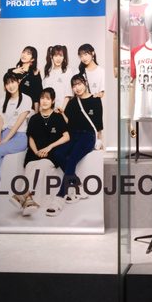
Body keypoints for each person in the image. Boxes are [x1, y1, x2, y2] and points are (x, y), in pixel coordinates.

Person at [46, 75, 104, 216]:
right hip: (73, 136)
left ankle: (60, 196)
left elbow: (98, 125)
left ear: (85, 83)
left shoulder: (96, 100)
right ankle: (77, 184)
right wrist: (62, 114)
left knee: (72, 158)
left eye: (79, 84)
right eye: (74, 85)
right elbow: (69, 123)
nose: (77, 88)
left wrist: (100, 141)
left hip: (88, 136)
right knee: (57, 153)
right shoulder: (72, 102)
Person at [11, 88, 69, 216]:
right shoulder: (34, 118)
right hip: (34, 153)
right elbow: (30, 138)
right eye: (42, 98)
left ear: (52, 101)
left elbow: (66, 137)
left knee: (42, 166)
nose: (44, 101)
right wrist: (36, 151)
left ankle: (22, 194)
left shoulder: (58, 117)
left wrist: (49, 147)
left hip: (50, 154)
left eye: (48, 98)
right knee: (31, 166)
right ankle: (29, 201)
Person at [0, 72, 32, 178]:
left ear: (18, 82)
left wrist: (5, 140)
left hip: (19, 136)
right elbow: (0, 120)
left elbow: (17, 124)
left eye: (13, 82)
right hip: (4, 133)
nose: (11, 86)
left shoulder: (26, 99)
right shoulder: (2, 100)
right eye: (7, 83)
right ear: (5, 86)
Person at [9, 46, 43, 110]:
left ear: (32, 59)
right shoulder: (12, 71)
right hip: (13, 107)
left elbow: (37, 95)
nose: (24, 55)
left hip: (28, 108)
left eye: (28, 54)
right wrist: (13, 72)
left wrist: (36, 113)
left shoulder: (35, 74)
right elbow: (7, 88)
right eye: (23, 52)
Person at [42, 45, 72, 111]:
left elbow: (68, 93)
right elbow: (44, 93)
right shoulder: (48, 72)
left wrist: (62, 109)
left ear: (64, 57)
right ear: (51, 56)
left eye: (61, 56)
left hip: (63, 109)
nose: (58, 59)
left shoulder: (68, 71)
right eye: (55, 56)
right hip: (49, 110)